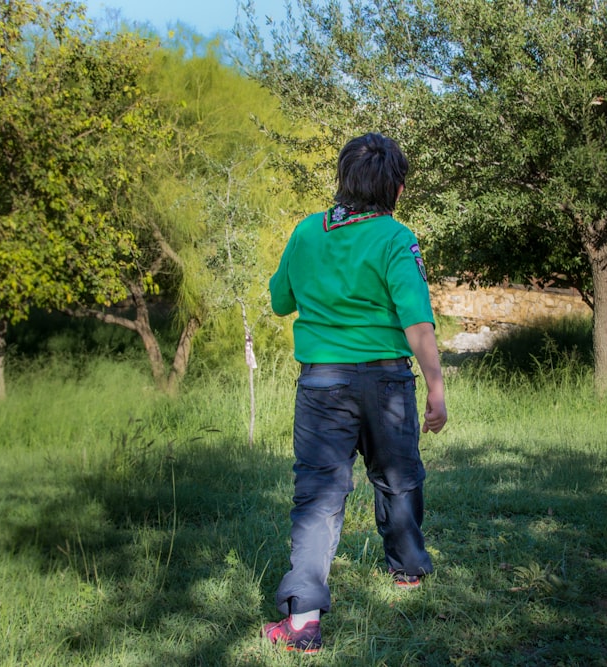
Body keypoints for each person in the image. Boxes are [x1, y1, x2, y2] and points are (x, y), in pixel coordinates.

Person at [262, 132, 447, 654]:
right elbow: (417, 321)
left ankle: (302, 622)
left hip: (322, 383)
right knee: (398, 475)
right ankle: (408, 569)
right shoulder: (395, 237)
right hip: (387, 380)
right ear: (398, 189)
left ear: (343, 180)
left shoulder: (305, 232)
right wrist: (436, 389)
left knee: (319, 494)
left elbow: (279, 301)